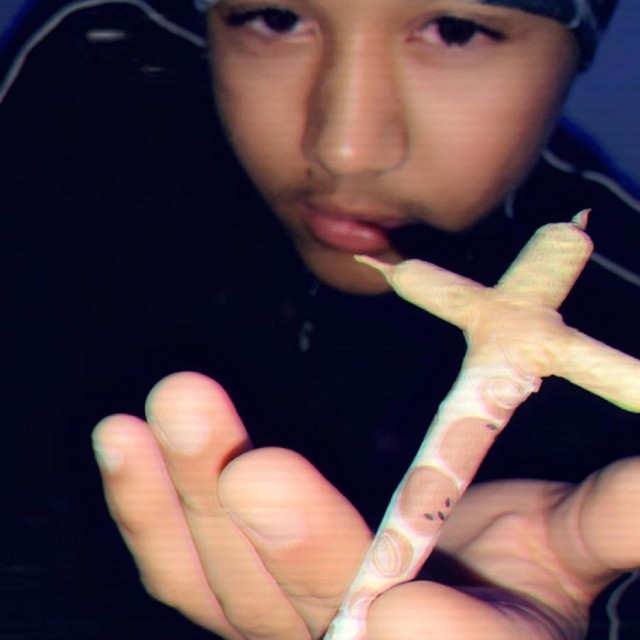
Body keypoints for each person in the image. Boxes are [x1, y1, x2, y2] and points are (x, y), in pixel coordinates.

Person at [2, 0, 640, 638]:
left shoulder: (624, 313)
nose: (344, 149)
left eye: (455, 30)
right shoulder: (100, 73)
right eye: (276, 18)